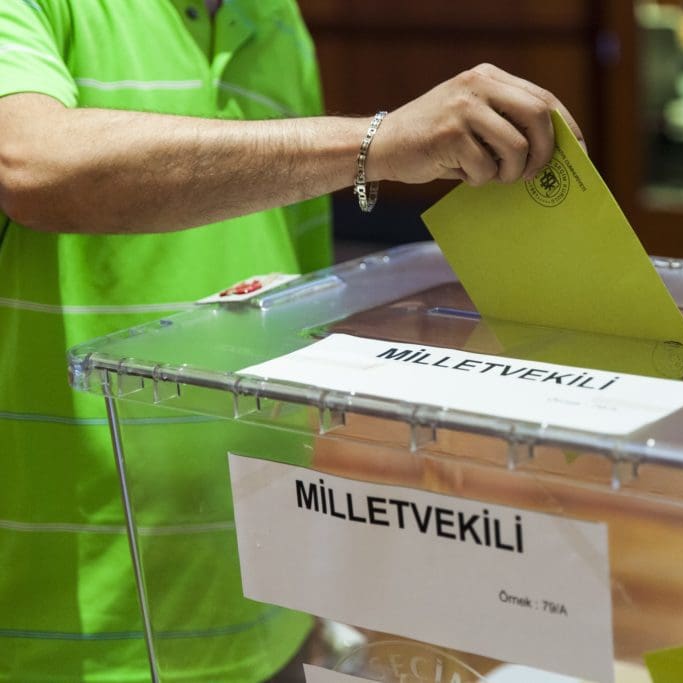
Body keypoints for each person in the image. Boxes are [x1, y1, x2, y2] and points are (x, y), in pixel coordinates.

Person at [0, 1, 585, 681]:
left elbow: (293, 316)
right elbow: (36, 165)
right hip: (63, 638)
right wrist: (379, 142)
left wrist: (304, 584)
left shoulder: (274, 20)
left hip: (259, 608)